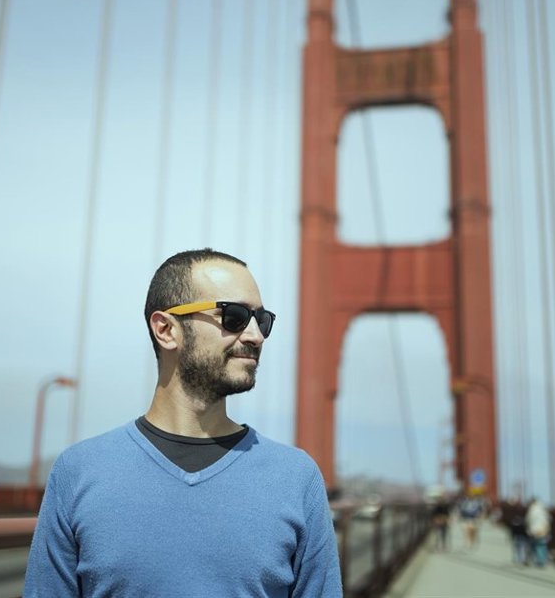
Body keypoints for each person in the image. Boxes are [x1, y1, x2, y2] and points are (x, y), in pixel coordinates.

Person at [24, 249, 342, 597]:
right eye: (233, 317)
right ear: (165, 330)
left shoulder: (297, 479)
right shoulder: (78, 472)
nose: (256, 335)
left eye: (261, 319)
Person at [525, 497, 551, 567]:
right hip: (543, 529)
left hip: (534, 530)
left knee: (536, 546)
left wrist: (529, 529)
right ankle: (543, 560)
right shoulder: (543, 509)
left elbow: (528, 520)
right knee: (542, 545)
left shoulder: (532, 510)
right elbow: (548, 520)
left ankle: (539, 560)